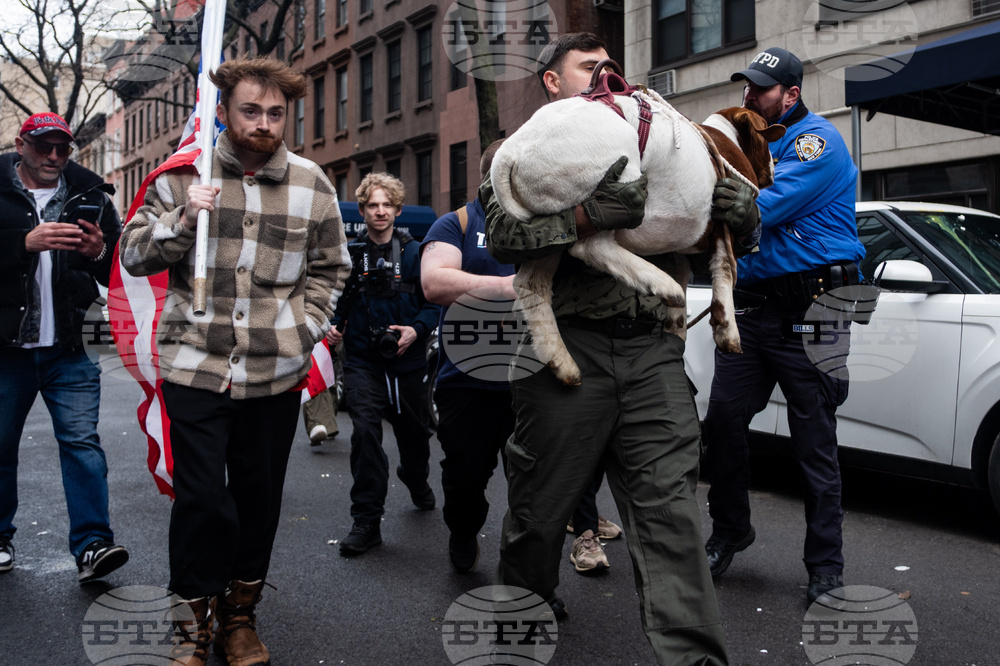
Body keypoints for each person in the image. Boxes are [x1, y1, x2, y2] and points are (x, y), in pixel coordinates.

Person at [483, 33, 760, 664]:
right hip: (567, 355)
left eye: (612, 66)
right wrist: (585, 218)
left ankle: (693, 657)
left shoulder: (656, 142)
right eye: (589, 68)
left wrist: (742, 219)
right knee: (538, 515)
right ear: (554, 84)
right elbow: (502, 235)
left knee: (672, 521)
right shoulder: (522, 149)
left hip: (653, 353)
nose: (607, 75)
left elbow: (701, 235)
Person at [120, 56, 350, 666]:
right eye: (251, 110)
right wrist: (183, 217)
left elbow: (332, 267)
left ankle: (239, 618)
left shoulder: (311, 183)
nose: (265, 123)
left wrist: (306, 329)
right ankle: (192, 620)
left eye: (277, 113)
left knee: (258, 497)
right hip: (194, 365)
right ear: (222, 112)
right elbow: (134, 254)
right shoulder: (180, 177)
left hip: (274, 371)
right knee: (202, 500)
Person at [702, 47, 865, 605]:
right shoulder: (751, 139)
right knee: (722, 421)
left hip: (811, 312)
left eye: (762, 89)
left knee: (813, 443)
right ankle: (730, 532)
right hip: (752, 310)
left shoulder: (816, 140)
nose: (750, 95)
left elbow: (765, 204)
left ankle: (826, 565)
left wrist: (721, 200)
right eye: (747, 87)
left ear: (790, 94)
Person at [0, 112, 127, 583]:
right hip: (6, 349)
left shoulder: (92, 196)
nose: (54, 156)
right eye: (43, 146)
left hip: (72, 347)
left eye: (63, 148)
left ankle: (93, 545)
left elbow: (119, 273)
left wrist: (98, 252)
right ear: (21, 144)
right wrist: (23, 243)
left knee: (82, 444)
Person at [330, 172, 440, 557]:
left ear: (397, 209)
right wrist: (333, 327)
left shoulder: (415, 253)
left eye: (386, 205)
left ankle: (415, 477)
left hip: (407, 363)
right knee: (364, 433)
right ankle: (366, 520)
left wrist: (415, 330)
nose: (380, 212)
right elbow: (337, 303)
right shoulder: (351, 254)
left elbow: (434, 304)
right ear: (362, 210)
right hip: (363, 361)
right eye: (372, 205)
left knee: (415, 437)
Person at [419, 140, 516, 574]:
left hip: (528, 379)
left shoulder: (541, 222)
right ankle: (462, 531)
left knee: (535, 486)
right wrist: (512, 287)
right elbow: (435, 282)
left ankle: (529, 575)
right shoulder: (454, 222)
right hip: (465, 379)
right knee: (465, 479)